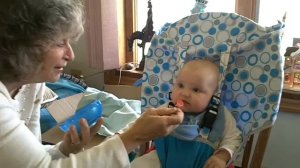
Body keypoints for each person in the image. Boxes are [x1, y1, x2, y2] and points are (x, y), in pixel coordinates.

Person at [0, 0, 184, 167]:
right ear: (21, 44)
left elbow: (32, 158)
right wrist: (134, 136)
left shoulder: (32, 83)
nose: (71, 55)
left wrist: (63, 150)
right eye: (59, 43)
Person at [131, 59, 241, 168]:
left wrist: (222, 156)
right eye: (180, 85)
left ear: (213, 95)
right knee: (137, 164)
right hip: (164, 157)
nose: (184, 93)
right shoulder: (167, 109)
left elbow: (233, 138)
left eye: (196, 90)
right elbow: (146, 125)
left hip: (202, 162)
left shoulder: (220, 115)